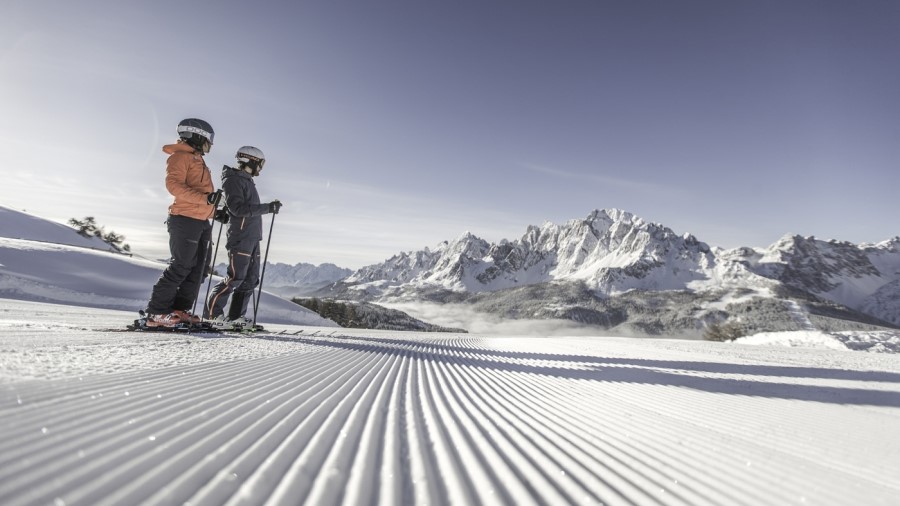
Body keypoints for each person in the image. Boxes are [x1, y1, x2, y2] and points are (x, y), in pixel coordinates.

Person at [144, 118, 221, 327]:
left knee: (200, 269)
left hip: (201, 221)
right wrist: (207, 200)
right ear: (196, 136)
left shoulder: (198, 159)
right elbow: (174, 186)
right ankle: (156, 312)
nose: (210, 144)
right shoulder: (180, 157)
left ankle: (179, 309)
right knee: (182, 265)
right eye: (208, 139)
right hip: (184, 219)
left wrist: (215, 212)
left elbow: (201, 196)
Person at [204, 146, 281, 329]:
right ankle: (213, 315)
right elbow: (237, 209)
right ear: (250, 160)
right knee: (235, 277)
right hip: (241, 236)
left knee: (251, 279)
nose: (260, 169)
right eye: (260, 164)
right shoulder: (233, 180)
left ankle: (235, 318)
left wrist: (266, 209)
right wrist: (267, 208)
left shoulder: (247, 180)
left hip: (253, 236)